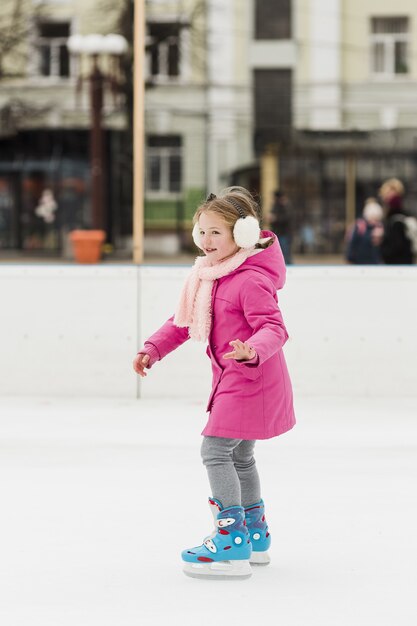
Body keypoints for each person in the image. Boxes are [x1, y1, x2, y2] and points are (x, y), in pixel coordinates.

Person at [133, 186, 295, 580]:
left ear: (241, 235)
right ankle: (254, 533)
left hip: (250, 376)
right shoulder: (210, 277)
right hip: (237, 376)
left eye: (216, 233)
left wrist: (251, 350)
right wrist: (152, 349)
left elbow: (274, 327)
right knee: (240, 456)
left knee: (215, 451)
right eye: (201, 231)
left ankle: (231, 538)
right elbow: (182, 321)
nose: (206, 241)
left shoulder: (250, 279)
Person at [379, 178, 415, 264]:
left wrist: (382, 248)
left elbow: (397, 245)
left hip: (398, 264)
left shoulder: (396, 219)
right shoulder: (399, 216)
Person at [345, 198, 384, 264]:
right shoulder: (360, 226)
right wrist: (350, 257)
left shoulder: (380, 227)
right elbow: (353, 242)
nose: (373, 221)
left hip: (374, 262)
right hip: (360, 262)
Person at [269, 190, 293, 264]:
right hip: (277, 232)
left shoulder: (286, 205)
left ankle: (288, 266)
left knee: (285, 252)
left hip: (285, 232)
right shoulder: (275, 205)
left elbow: (288, 218)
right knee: (279, 252)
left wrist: (276, 218)